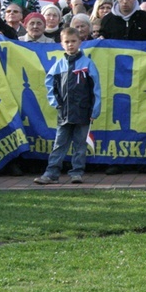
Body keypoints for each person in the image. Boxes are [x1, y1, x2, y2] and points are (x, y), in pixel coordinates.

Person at [34, 27, 101, 185]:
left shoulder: (88, 64)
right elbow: (49, 83)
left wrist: (95, 110)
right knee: (59, 143)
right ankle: (51, 173)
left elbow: (96, 89)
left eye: (73, 41)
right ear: (61, 44)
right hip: (64, 112)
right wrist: (55, 102)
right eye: (67, 42)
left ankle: (77, 172)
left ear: (80, 42)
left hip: (83, 112)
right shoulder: (58, 65)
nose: (70, 45)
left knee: (80, 144)